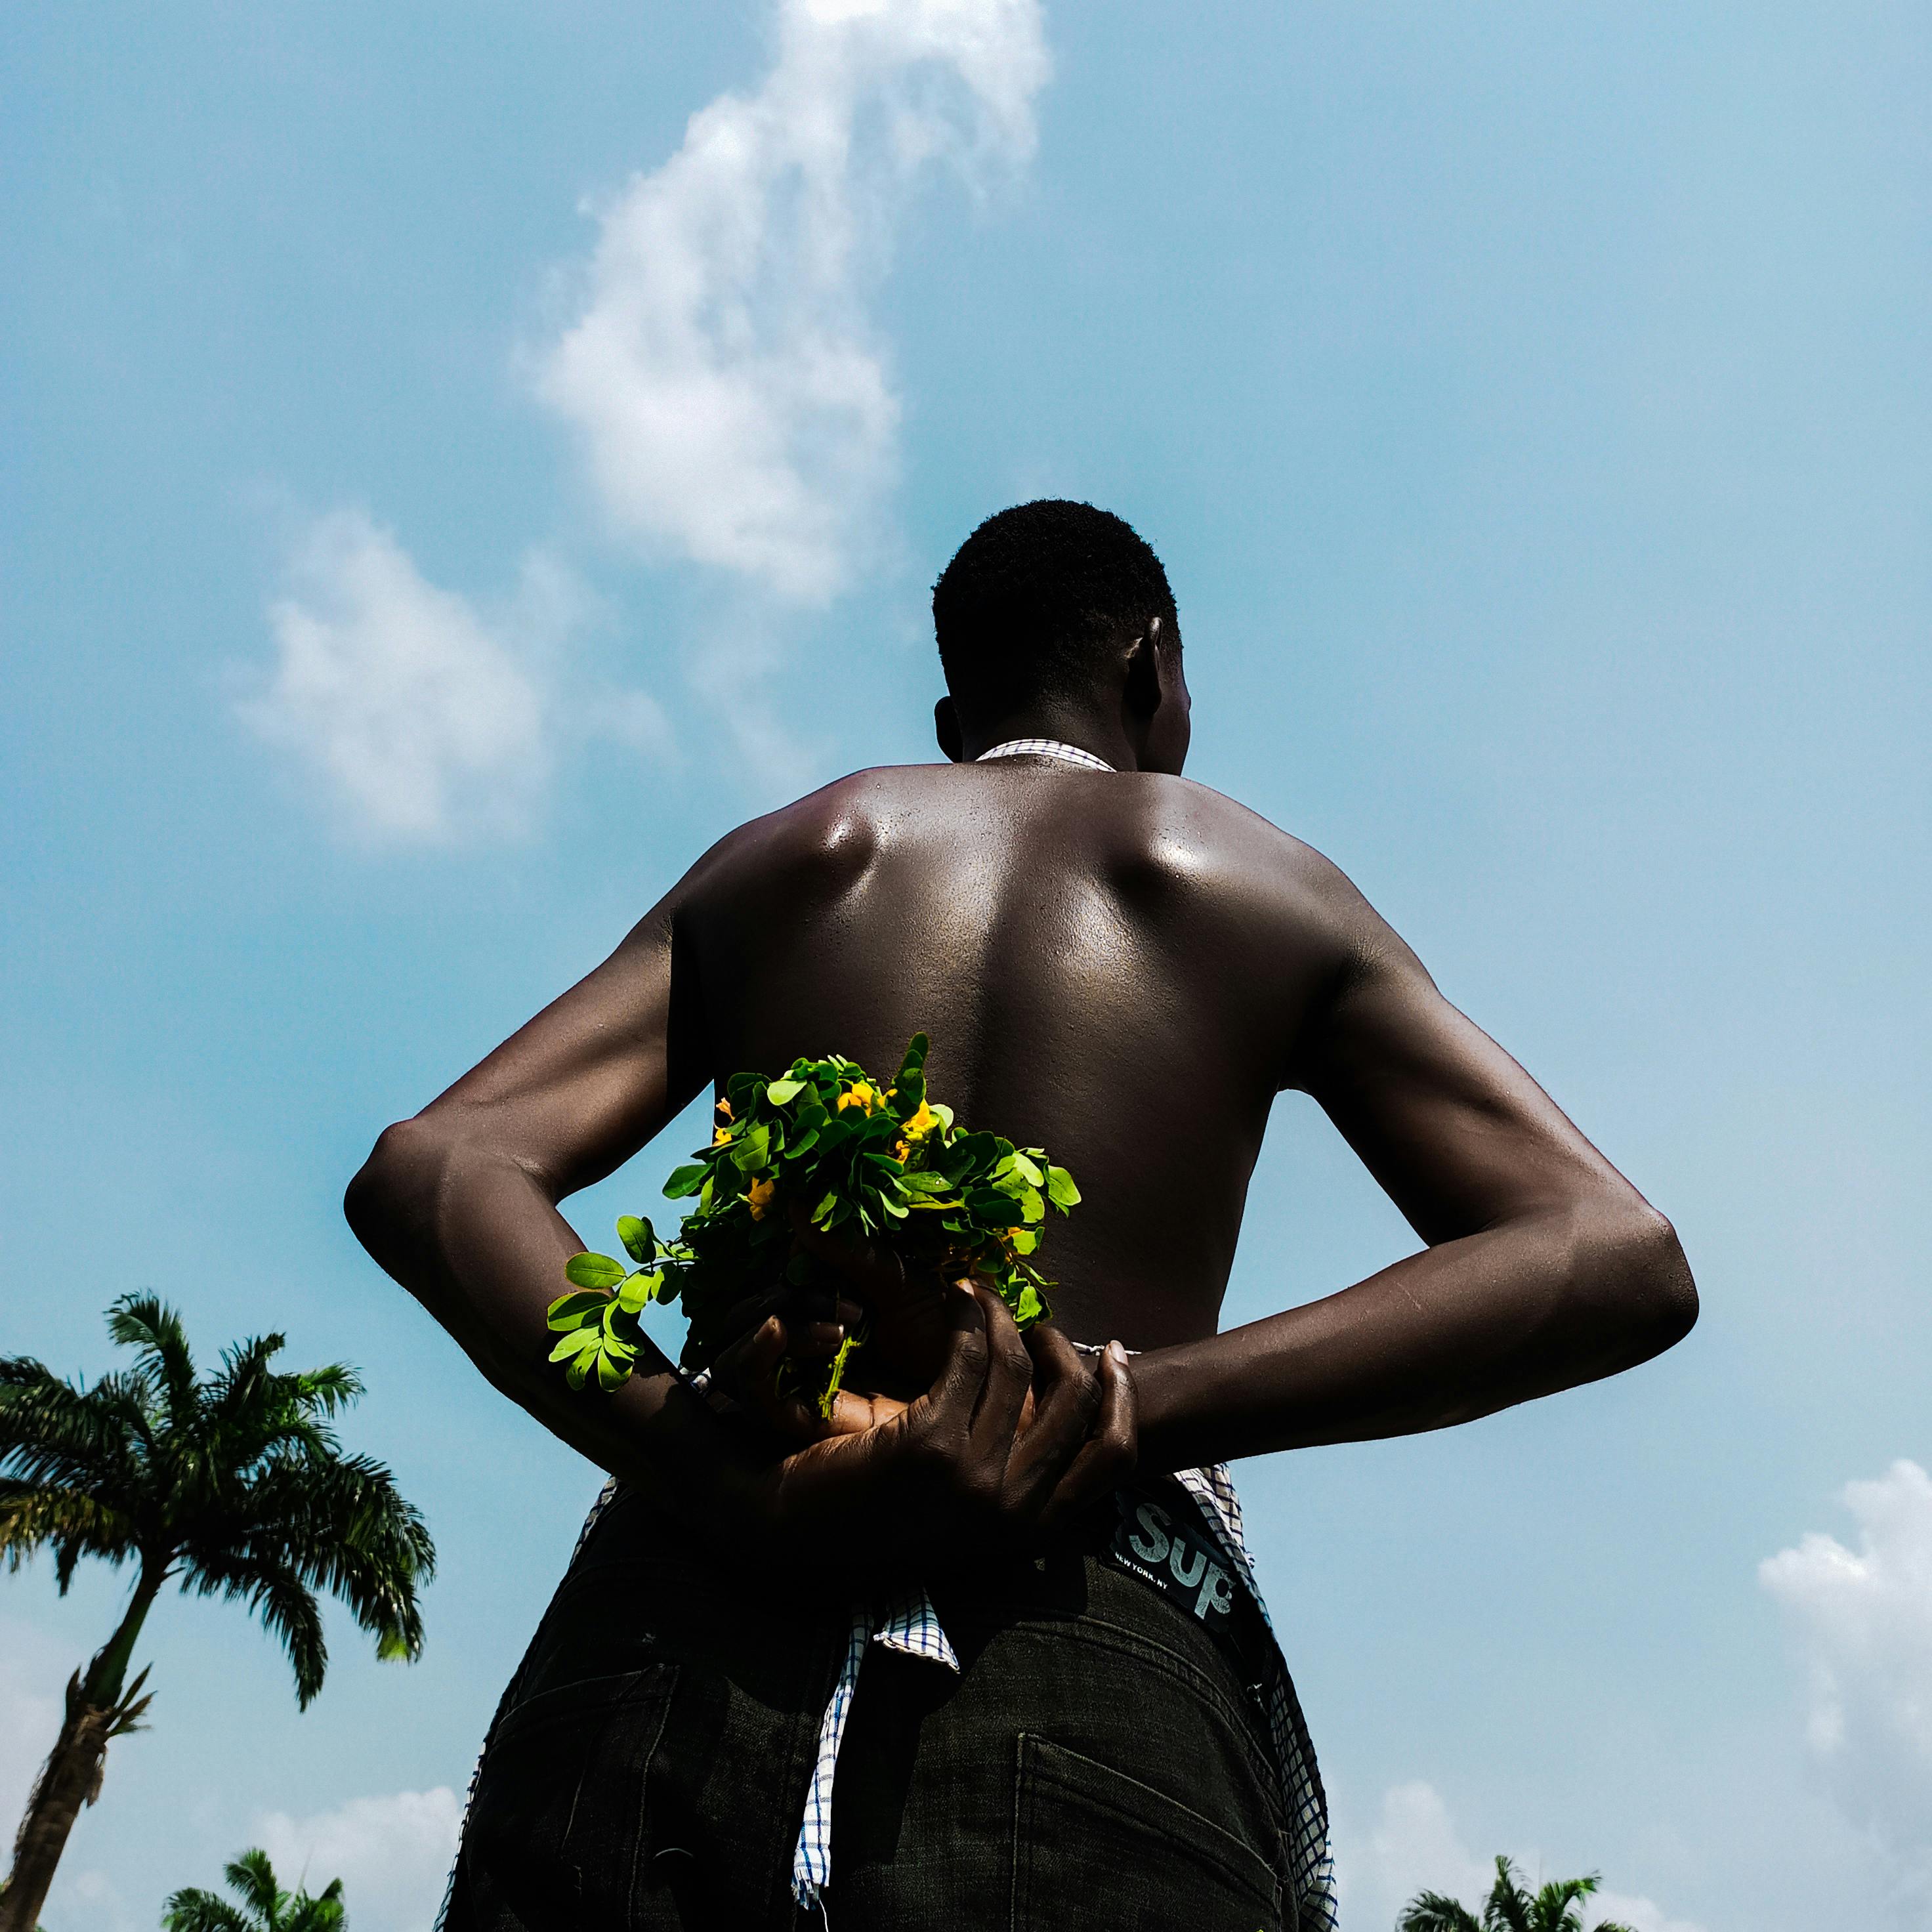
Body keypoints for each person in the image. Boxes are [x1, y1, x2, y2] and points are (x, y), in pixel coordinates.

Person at [345, 499, 1697, 1932]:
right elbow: (1614, 1251)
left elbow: (437, 1166)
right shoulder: (1248, 875)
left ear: (952, 713)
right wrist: (1124, 1403)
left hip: (679, 1619)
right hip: (1083, 1632)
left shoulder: (800, 853)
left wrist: (712, 1466)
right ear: (1150, 666)